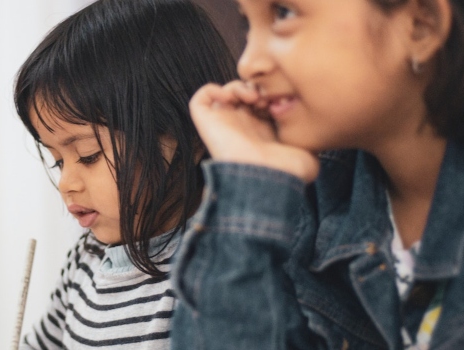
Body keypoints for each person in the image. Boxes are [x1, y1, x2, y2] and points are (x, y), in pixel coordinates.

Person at [171, 0, 464, 349]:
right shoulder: (308, 205)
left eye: (283, 14)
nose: (247, 64)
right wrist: (249, 184)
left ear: (421, 26)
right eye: (248, 24)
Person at [12, 0, 236, 348]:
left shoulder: (216, 269)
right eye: (58, 161)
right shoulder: (86, 261)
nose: (66, 184)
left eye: (88, 156)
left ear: (189, 136)